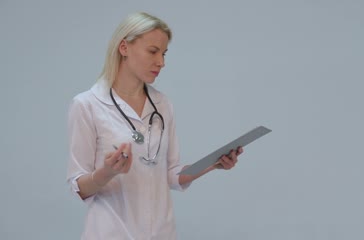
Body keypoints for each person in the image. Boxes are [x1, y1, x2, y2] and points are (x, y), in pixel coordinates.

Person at [66, 12, 243, 240]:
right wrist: (107, 172)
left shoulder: (162, 104)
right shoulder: (87, 105)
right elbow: (79, 187)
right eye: (153, 51)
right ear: (124, 48)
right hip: (110, 233)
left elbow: (171, 175)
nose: (161, 62)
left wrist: (212, 164)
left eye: (164, 53)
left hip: (162, 233)